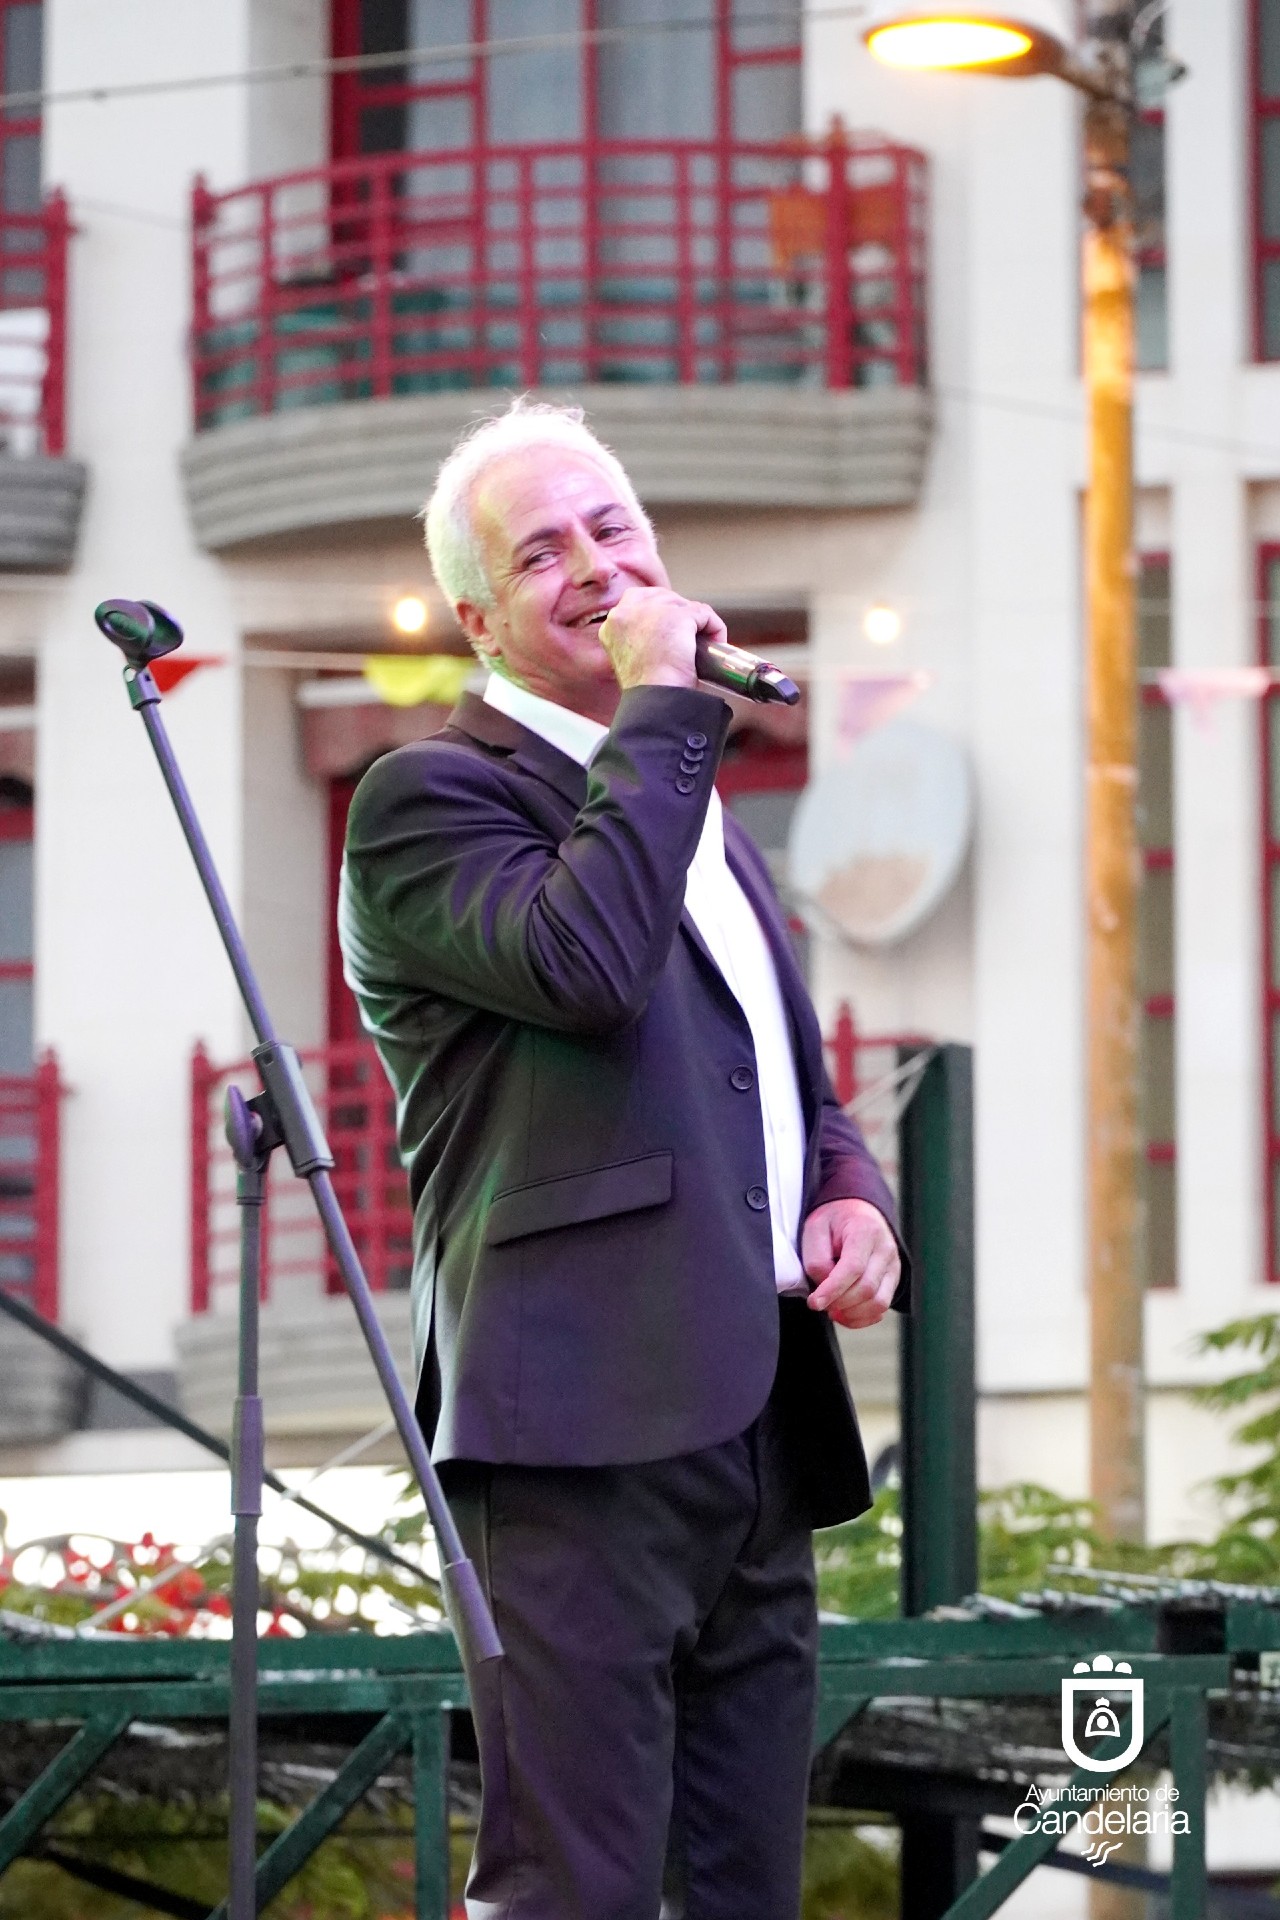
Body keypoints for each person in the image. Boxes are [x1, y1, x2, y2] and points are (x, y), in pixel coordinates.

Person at [339, 399, 908, 1920]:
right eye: (545, 553)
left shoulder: (693, 816)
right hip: (574, 1426)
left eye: (614, 530)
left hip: (756, 1418)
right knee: (573, 1886)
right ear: (478, 618)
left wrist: (854, 1200)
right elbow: (583, 964)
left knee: (744, 1887)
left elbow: (798, 1089)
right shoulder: (428, 801)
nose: (595, 566)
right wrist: (667, 712)